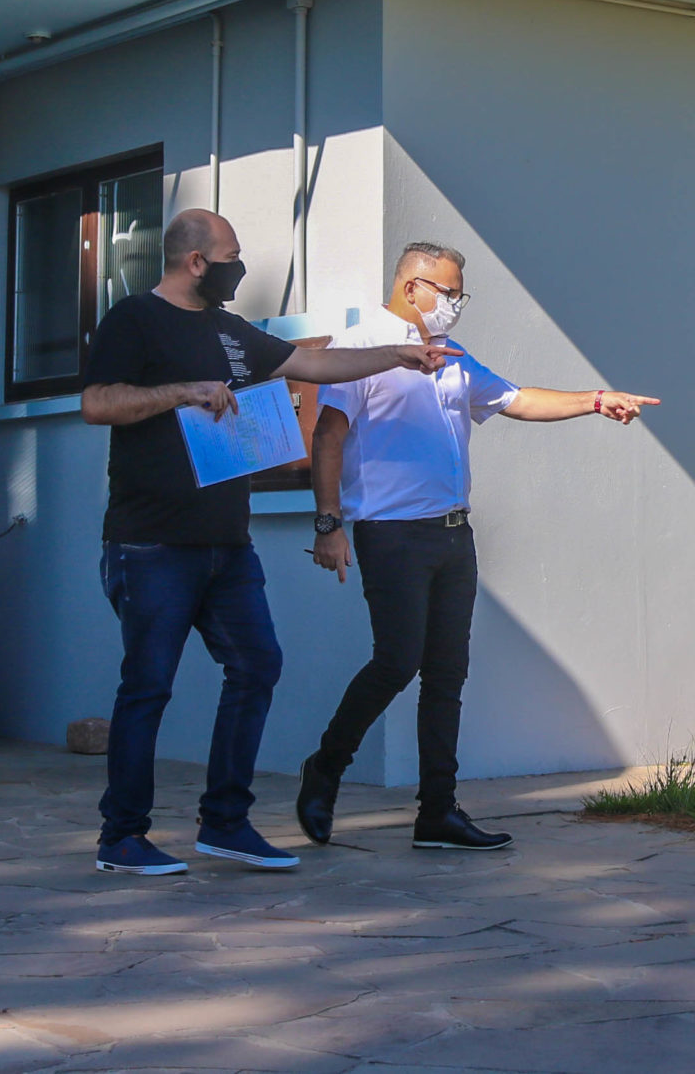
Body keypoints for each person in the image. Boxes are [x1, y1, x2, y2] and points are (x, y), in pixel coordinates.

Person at [81, 208, 449, 877]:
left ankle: (225, 821)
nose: (238, 267)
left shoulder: (230, 329)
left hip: (227, 542)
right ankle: (122, 835)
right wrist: (179, 392)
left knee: (257, 665)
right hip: (152, 544)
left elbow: (313, 361)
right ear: (197, 261)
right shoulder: (133, 319)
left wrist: (396, 353)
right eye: (231, 256)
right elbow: (98, 402)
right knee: (148, 686)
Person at [294, 242, 658, 851]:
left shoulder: (454, 357)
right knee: (397, 661)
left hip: (452, 536)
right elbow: (329, 437)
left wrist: (595, 400)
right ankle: (325, 768)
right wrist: (328, 525)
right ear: (412, 288)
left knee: (446, 674)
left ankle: (438, 812)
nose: (455, 306)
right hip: (390, 534)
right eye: (448, 292)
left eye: (460, 294)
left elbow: (517, 399)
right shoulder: (361, 350)